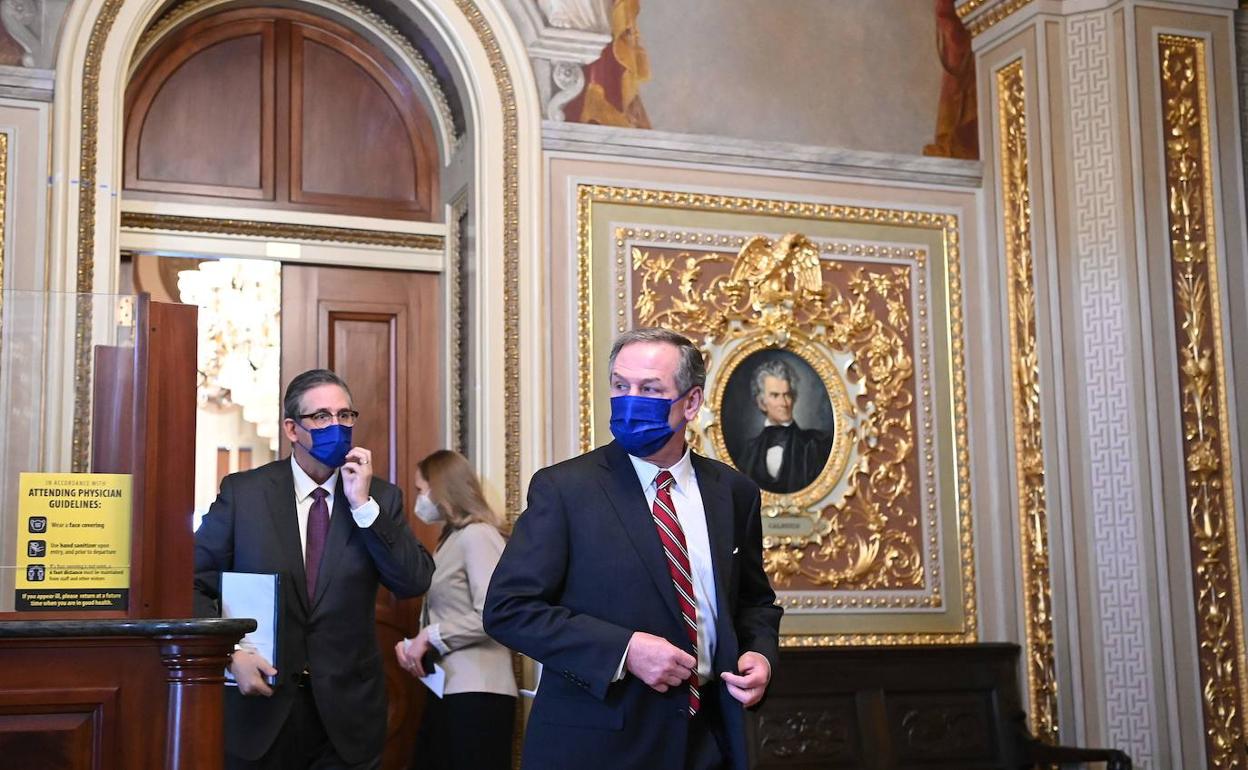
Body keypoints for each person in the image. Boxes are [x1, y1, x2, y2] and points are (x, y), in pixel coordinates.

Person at [484, 327, 783, 770]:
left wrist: (760, 654)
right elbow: (508, 610)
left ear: (692, 402)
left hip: (710, 742)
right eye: (621, 386)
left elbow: (753, 603)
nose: (630, 400)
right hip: (600, 747)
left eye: (650, 389)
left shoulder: (734, 493)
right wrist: (624, 650)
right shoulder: (565, 489)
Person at [194, 368, 435, 770]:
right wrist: (229, 652)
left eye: (345, 416)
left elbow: (413, 581)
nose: (336, 427)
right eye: (321, 417)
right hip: (261, 711)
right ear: (292, 429)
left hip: (348, 718)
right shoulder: (245, 494)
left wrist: (364, 508)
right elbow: (192, 584)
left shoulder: (380, 498)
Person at [394, 450, 516, 770]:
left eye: (422, 490)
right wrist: (417, 645)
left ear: (440, 488)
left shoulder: (478, 535)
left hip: (479, 692)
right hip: (451, 689)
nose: (419, 499)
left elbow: (494, 613)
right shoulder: (450, 539)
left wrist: (429, 637)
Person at [737, 358, 832, 494]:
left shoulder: (816, 444)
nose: (784, 403)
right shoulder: (749, 451)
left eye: (787, 395)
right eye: (775, 395)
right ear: (761, 402)